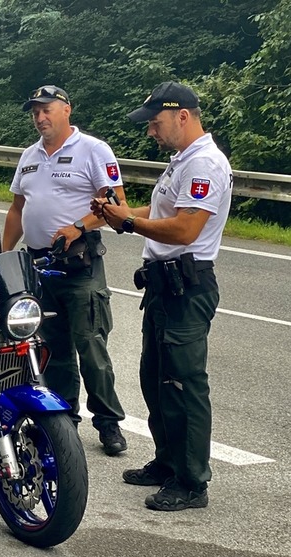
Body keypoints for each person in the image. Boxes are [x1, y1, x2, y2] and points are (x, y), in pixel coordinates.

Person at [95, 81, 231, 511]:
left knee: (183, 384)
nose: (151, 132)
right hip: (162, 284)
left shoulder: (205, 163)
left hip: (185, 286)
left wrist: (129, 224)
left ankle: (192, 483)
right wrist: (116, 214)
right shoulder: (181, 161)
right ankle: (168, 460)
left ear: (183, 116)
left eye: (156, 123)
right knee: (157, 379)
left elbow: (186, 228)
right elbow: (160, 213)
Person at [3, 84, 129, 456]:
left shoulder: (93, 150)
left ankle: (108, 423)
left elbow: (116, 203)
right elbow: (16, 209)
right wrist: (2, 254)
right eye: (35, 112)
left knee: (91, 346)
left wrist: (79, 226)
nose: (40, 117)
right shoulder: (28, 156)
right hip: (40, 266)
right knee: (53, 348)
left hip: (79, 263)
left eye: (47, 110)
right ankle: (65, 420)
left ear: (66, 110)